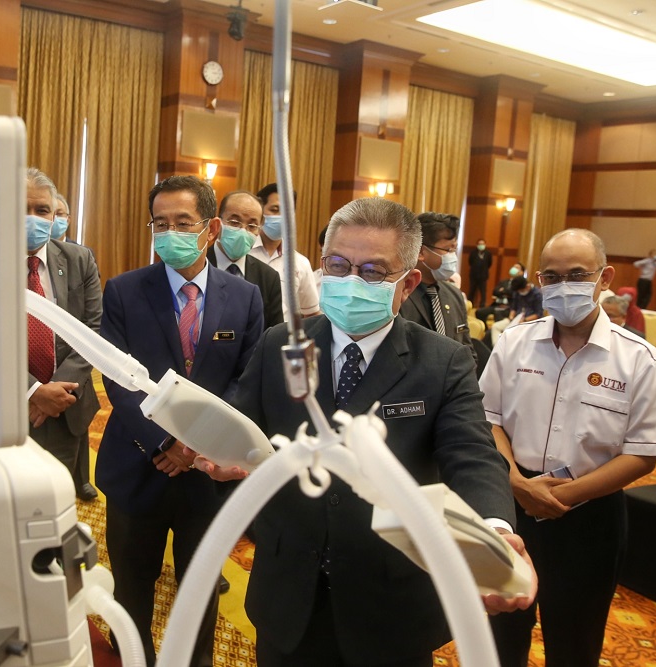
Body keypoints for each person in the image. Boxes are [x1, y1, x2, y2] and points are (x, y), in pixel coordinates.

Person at [200, 197, 533, 666]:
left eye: (373, 272)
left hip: (391, 600)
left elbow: (472, 455)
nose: (351, 282)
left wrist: (495, 530)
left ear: (408, 282)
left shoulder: (442, 361)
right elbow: (244, 424)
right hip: (289, 589)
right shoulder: (281, 343)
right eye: (338, 265)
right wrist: (220, 451)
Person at [481, 228, 656, 667]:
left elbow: (644, 454)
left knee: (575, 643)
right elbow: (487, 419)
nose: (563, 285)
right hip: (510, 506)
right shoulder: (513, 343)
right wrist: (516, 483)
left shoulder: (640, 359)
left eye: (577, 274)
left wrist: (562, 496)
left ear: (604, 278)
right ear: (538, 280)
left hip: (590, 516)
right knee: (499, 637)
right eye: (551, 276)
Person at [97, 175, 264, 667]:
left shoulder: (245, 296)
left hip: (206, 475)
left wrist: (194, 443)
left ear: (210, 228)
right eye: (160, 223)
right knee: (132, 587)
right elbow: (117, 379)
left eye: (182, 223)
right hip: (135, 464)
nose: (170, 233)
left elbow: (247, 379)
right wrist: (162, 443)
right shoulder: (124, 291)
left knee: (201, 588)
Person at [23, 169, 101, 502]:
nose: (32, 218)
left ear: (55, 215)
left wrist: (56, 392)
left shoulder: (78, 259)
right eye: (20, 208)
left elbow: (94, 328)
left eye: (41, 210)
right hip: (5, 407)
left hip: (65, 406)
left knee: (56, 502)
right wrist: (33, 390)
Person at [399, 211, 476, 364]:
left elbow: (468, 350)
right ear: (421, 251)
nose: (452, 256)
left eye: (454, 250)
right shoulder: (399, 293)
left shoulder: (454, 294)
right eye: (448, 250)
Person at [207, 190, 284, 331]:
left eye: (252, 226)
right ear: (217, 223)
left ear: (259, 230)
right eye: (234, 222)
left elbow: (274, 335)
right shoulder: (197, 266)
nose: (243, 231)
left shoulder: (268, 278)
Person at [250, 182, 320, 320]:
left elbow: (312, 313)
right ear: (260, 211)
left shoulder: (300, 263)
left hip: (281, 337)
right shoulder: (242, 253)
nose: (281, 217)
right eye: (275, 210)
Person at [468, 237, 492, 308]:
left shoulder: (488, 253)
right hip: (474, 276)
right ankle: (469, 305)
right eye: (479, 244)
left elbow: (489, 263)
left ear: (485, 244)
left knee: (483, 292)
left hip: (483, 276)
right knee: (472, 291)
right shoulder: (473, 253)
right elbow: (470, 262)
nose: (481, 245)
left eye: (482, 244)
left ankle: (482, 306)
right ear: (477, 245)